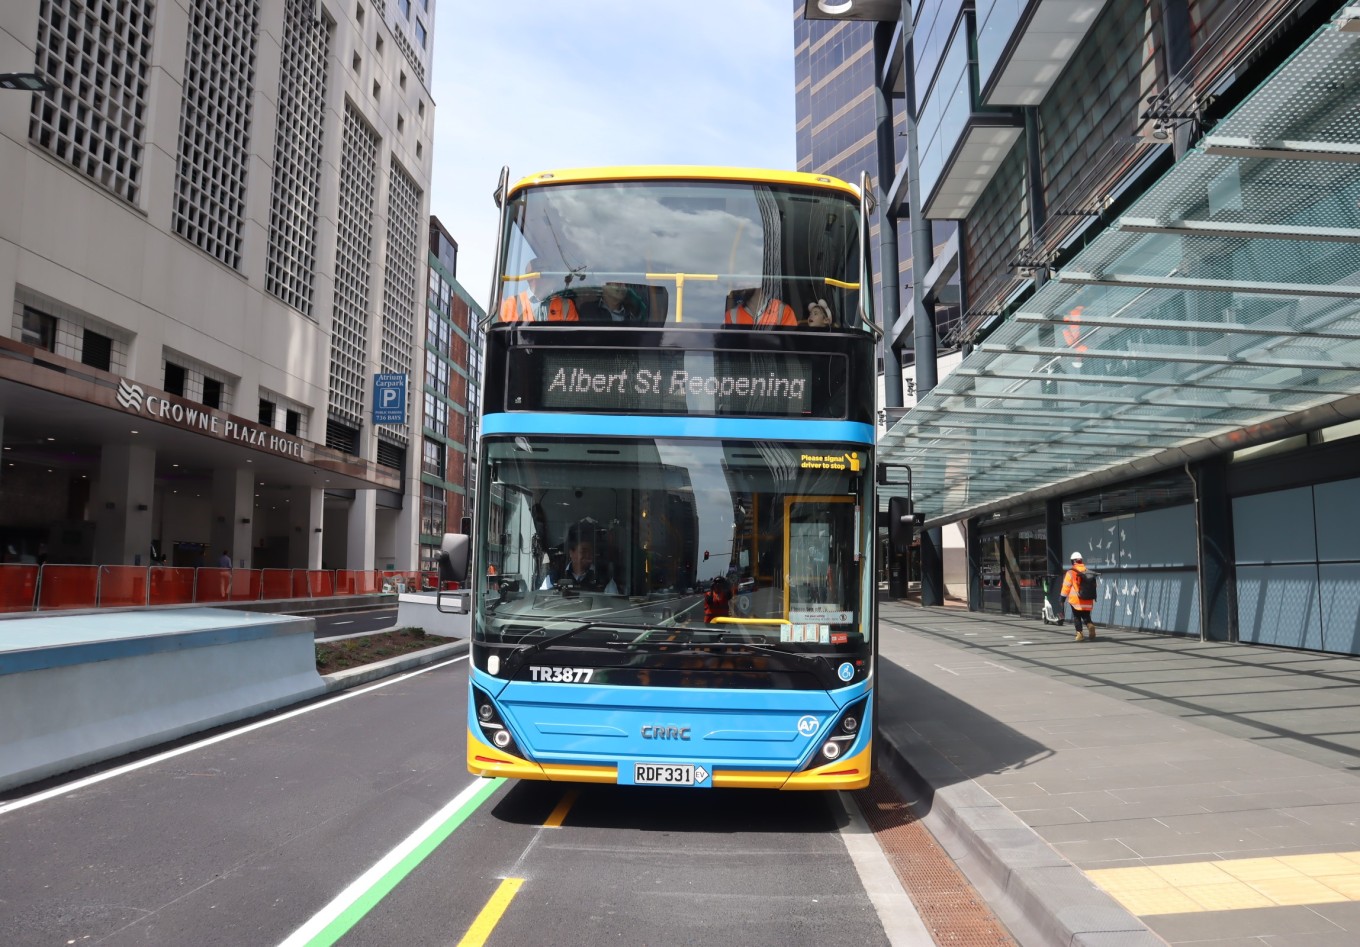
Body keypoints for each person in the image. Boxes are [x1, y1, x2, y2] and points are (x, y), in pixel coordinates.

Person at [540, 524, 618, 593]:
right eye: (583, 551)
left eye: (591, 551)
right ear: (571, 553)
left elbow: (614, 606)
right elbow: (541, 601)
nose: (588, 555)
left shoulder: (604, 580)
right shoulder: (554, 577)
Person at [499, 259, 581, 323]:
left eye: (550, 271)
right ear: (531, 277)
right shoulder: (512, 304)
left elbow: (571, 339)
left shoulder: (566, 305)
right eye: (546, 271)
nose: (552, 275)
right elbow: (508, 338)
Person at [1060, 551, 1097, 641]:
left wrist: (1062, 599)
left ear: (1073, 561)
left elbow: (1066, 587)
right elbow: (1095, 586)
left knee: (1077, 617)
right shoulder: (1087, 571)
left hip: (1076, 601)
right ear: (1081, 561)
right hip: (1088, 600)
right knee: (1086, 616)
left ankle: (1079, 634)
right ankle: (1090, 625)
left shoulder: (1071, 572)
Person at [724, 285, 796, 327]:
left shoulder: (783, 311)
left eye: (748, 279)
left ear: (759, 282)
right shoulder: (731, 315)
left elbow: (790, 346)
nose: (741, 285)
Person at [579, 282, 644, 323]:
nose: (621, 284)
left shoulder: (633, 313)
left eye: (624, 282)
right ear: (604, 285)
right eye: (615, 279)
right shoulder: (588, 309)